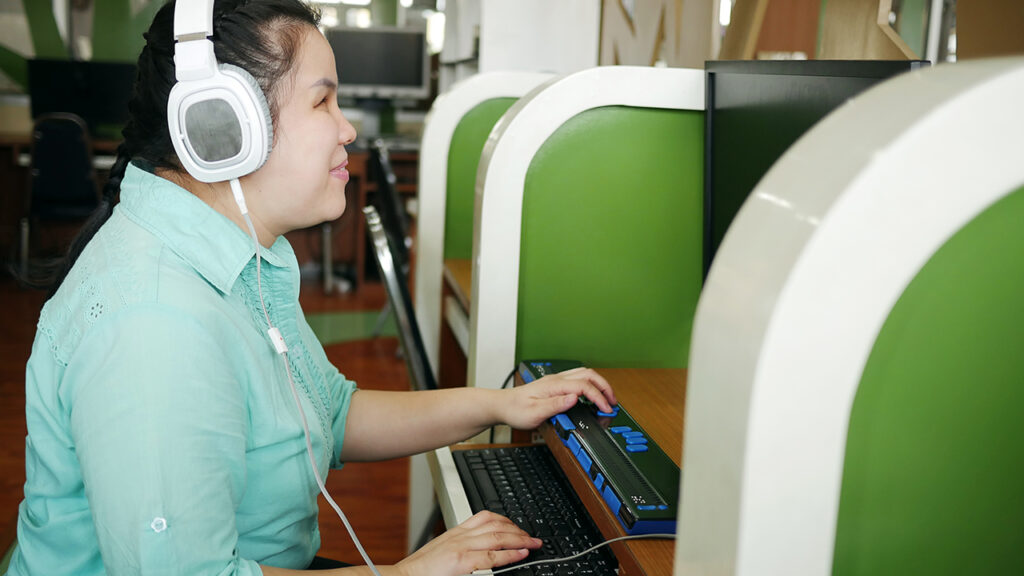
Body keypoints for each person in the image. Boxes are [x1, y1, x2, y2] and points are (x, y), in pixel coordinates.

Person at [6, 1, 617, 575]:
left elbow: (333, 411)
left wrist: (500, 404)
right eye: (323, 103)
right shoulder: (154, 325)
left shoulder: (242, 256)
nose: (347, 129)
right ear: (223, 128)